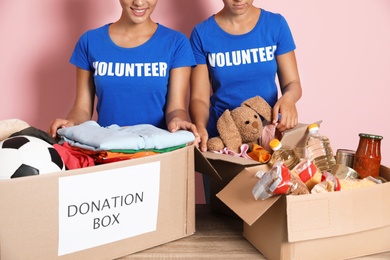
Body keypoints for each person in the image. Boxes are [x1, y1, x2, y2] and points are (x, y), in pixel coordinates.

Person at [189, 0, 302, 202]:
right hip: (223, 145)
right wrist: (200, 126)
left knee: (263, 215)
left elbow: (293, 83)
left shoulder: (275, 25)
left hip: (267, 142)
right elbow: (198, 97)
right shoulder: (202, 34)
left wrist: (289, 99)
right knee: (221, 219)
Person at [48, 0, 199, 140]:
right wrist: (70, 123)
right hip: (108, 151)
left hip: (157, 150)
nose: (139, 2)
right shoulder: (89, 42)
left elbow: (176, 108)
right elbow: (82, 108)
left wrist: (178, 121)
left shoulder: (176, 43)